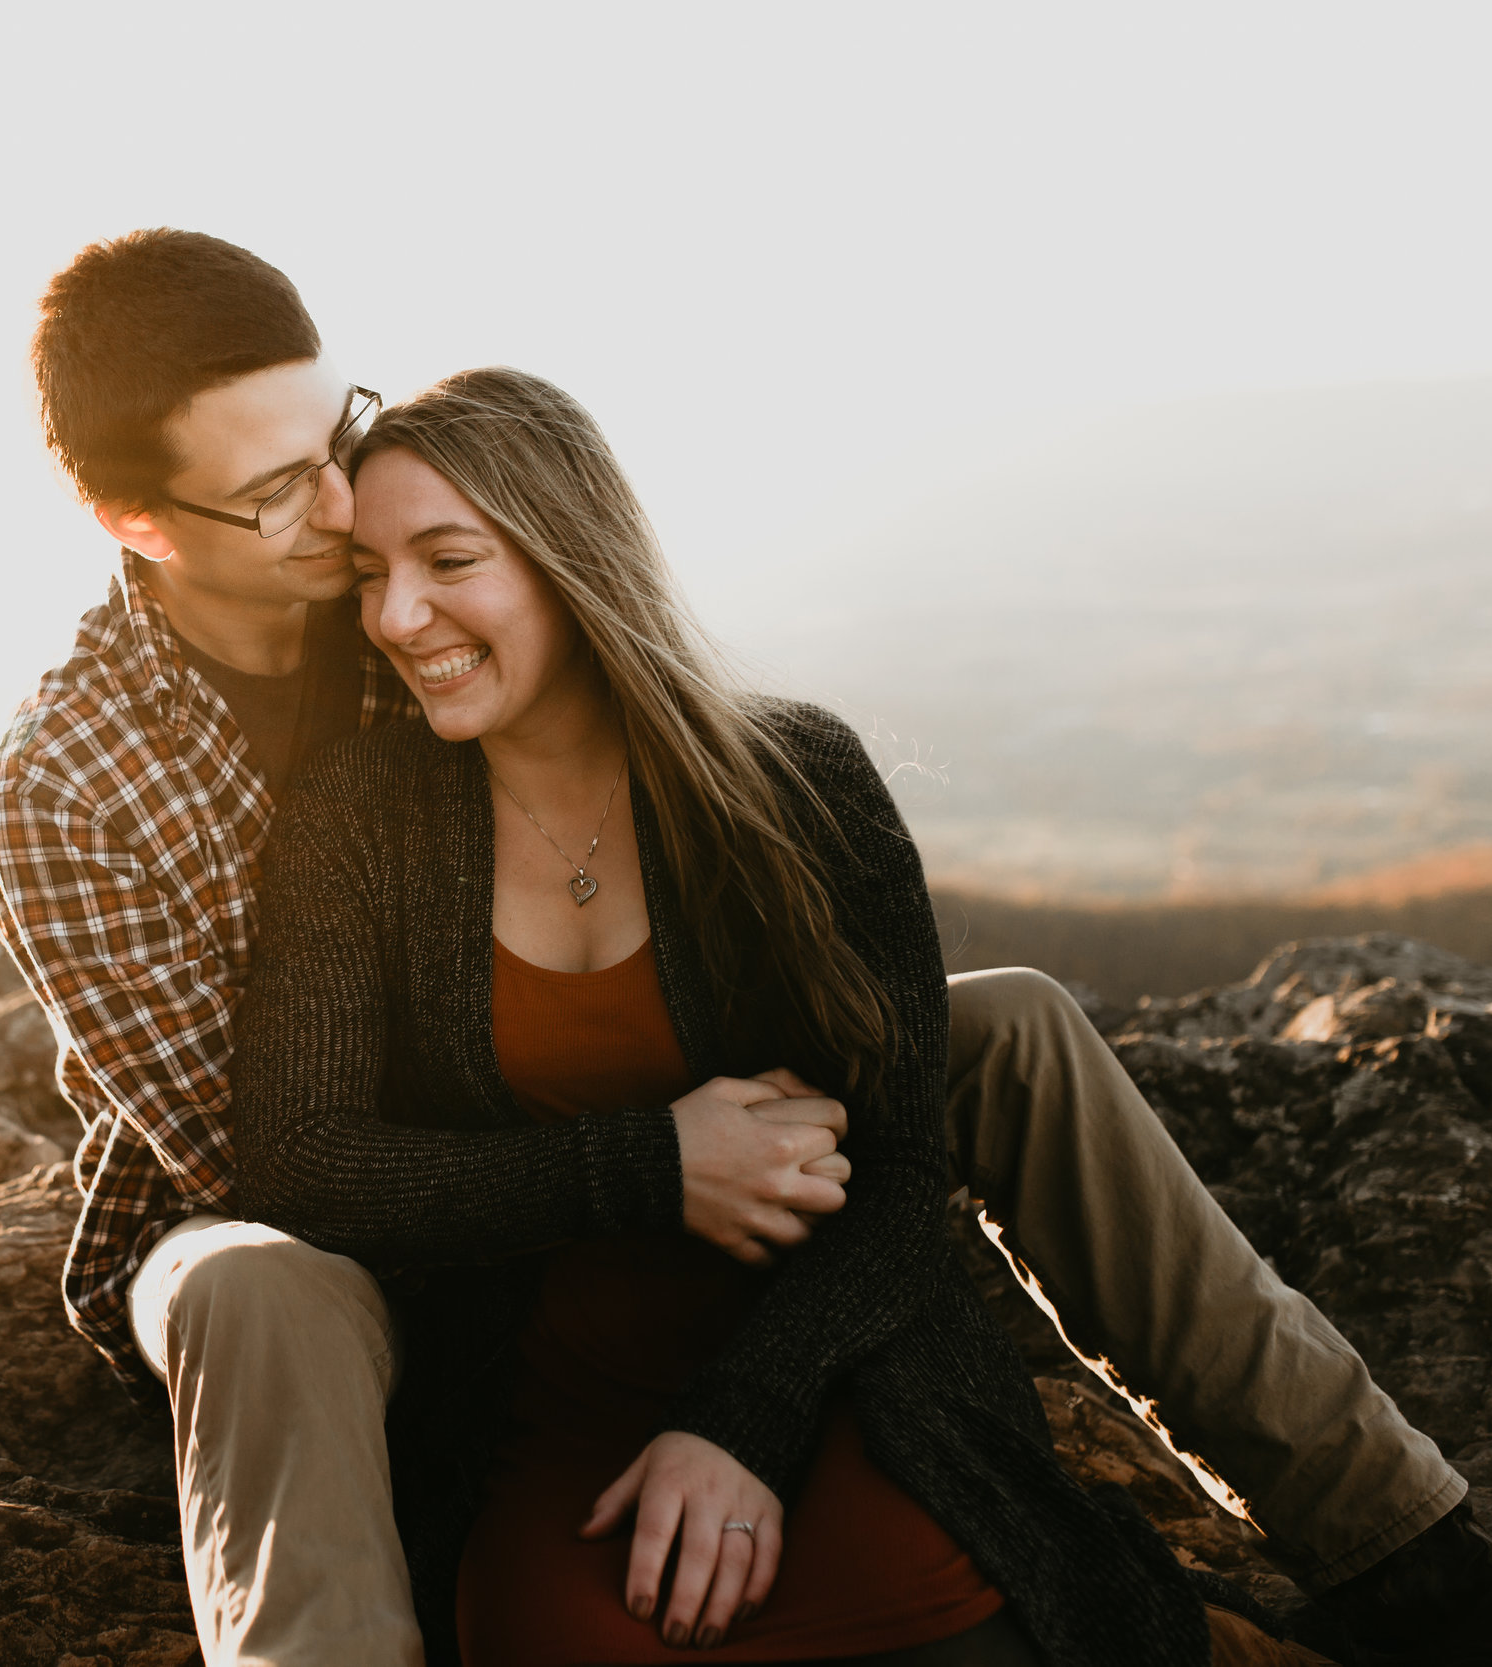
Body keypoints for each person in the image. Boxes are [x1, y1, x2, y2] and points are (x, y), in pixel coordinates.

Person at [0, 228, 1492, 1667]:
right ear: (132, 520)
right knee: (263, 1290)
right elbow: (267, 1160)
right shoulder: (70, 782)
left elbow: (609, 746)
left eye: (339, 438)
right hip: (310, 1221)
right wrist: (655, 1161)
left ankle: (1395, 1542)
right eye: (280, 492)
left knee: (1005, 1030)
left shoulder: (402, 569)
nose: (340, 512)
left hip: (583, 1087)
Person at [227, 365, 1342, 1666]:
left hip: (823, 1378)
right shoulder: (360, 814)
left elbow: (902, 1159)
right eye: (368, 571)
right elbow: (302, 1160)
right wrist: (649, 1163)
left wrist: (744, 1424)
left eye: (449, 560)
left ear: (571, 560)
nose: (398, 614)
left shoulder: (795, 779)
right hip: (548, 1427)